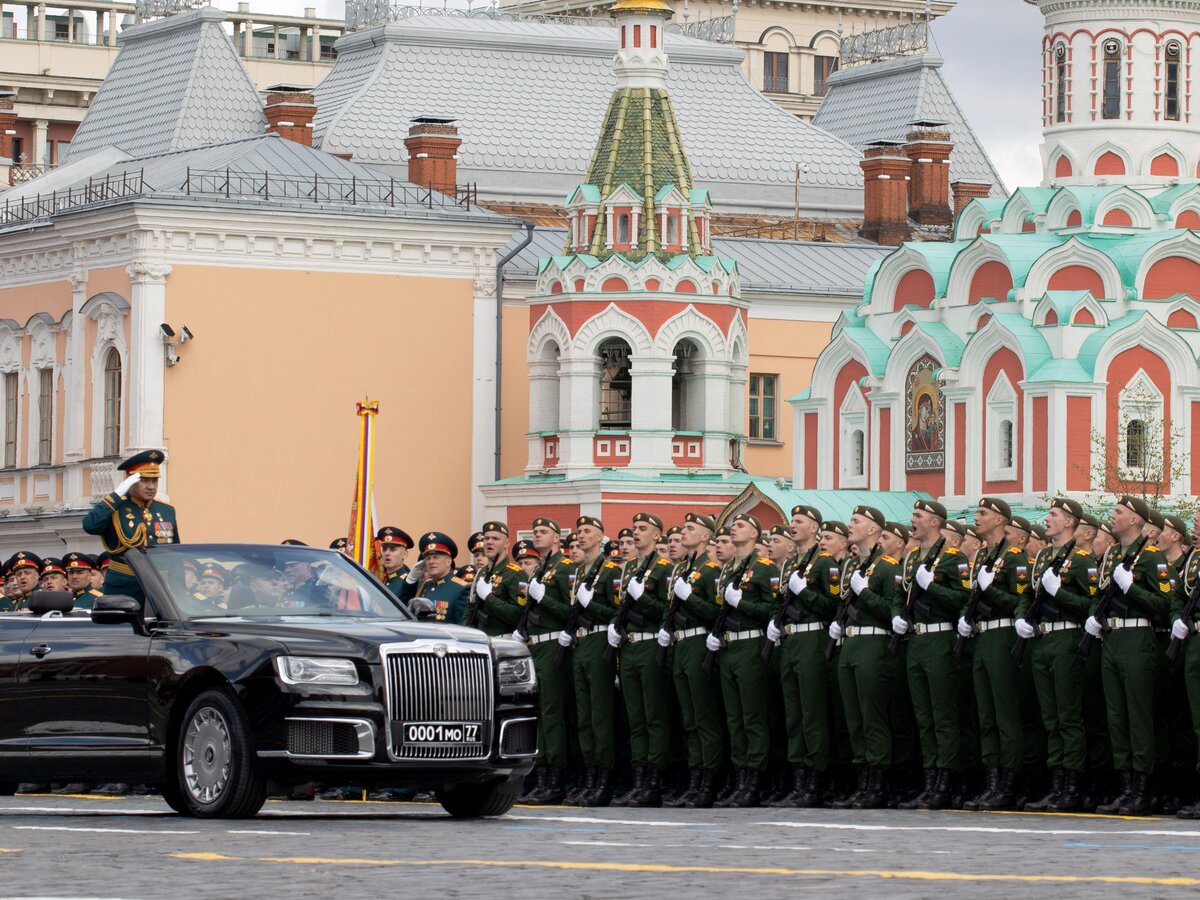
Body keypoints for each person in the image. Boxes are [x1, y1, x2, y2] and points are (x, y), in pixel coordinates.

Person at [1089, 495, 1172, 815]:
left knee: (1137, 715)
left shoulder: (1151, 558)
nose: (1113, 516)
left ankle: (1142, 789)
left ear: (1136, 519)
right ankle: (1125, 788)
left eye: (1119, 512)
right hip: (1111, 637)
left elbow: (1164, 605)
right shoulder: (1111, 555)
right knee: (1117, 716)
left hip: (1138, 638)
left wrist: (1132, 589)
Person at [1016, 497, 1096, 812]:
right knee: (1050, 717)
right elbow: (1027, 594)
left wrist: (1058, 592)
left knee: (1068, 715)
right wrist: (1022, 616)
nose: (1048, 519)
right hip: (1042, 640)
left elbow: (1089, 606)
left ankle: (1072, 786)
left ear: (1069, 522)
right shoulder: (1045, 557)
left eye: (1054, 514)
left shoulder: (1082, 560)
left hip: (1066, 638)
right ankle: (1057, 782)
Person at [894, 499, 968, 810]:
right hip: (916, 641)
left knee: (942, 715)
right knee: (923, 716)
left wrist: (933, 587)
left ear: (935, 522)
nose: (913, 520)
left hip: (939, 639)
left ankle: (946, 781)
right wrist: (897, 614)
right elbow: (899, 595)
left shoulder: (954, 558)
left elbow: (962, 598)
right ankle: (930, 780)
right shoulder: (911, 560)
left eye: (918, 516)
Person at [958, 497, 1028, 811]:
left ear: (1000, 520)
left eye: (983, 513)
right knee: (986, 714)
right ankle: (991, 780)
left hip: (1002, 634)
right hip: (982, 636)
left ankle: (1009, 783)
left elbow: (1021, 603)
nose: (976, 517)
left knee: (1004, 714)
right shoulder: (983, 555)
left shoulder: (1014, 557)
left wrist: (992, 590)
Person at [769, 505, 842, 808]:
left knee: (812, 712)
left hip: (813, 638)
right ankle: (799, 779)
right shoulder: (789, 566)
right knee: (794, 714)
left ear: (815, 528)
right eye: (792, 520)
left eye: (799, 521)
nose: (792, 525)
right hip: (790, 641)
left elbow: (832, 605)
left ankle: (814, 781)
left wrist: (805, 593)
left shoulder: (825, 563)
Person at [828, 506, 900, 809]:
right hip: (851, 644)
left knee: (873, 716)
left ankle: (879, 784)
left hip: (874, 643)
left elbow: (892, 611)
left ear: (873, 530)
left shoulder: (886, 566)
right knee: (854, 717)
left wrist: (865, 594)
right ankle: (863, 781)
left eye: (856, 521)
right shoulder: (854, 567)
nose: (850, 525)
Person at [709, 513, 778, 808]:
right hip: (728, 648)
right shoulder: (727, 571)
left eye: (739, 526)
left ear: (753, 534)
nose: (733, 529)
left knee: (752, 717)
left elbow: (773, 609)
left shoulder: (764, 569)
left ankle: (755, 780)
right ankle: (740, 778)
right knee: (735, 718)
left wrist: (743, 604)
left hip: (751, 645)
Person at [658, 513, 724, 809]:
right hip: (680, 644)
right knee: (689, 720)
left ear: (705, 536)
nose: (683, 533)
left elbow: (715, 613)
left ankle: (707, 782)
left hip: (698, 642)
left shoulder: (709, 571)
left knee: (703, 716)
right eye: (683, 527)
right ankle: (694, 780)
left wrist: (691, 599)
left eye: (690, 528)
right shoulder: (681, 570)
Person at [608, 513, 674, 806]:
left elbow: (665, 610)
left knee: (653, 717)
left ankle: (654, 782)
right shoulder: (630, 568)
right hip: (630, 647)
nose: (636, 533)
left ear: (657, 535)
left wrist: (643, 598)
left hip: (649, 646)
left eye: (643, 529)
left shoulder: (663, 569)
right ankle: (639, 781)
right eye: (634, 528)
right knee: (636, 719)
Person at [515, 517, 576, 805]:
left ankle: (554, 781)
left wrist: (545, 600)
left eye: (543, 532)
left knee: (551, 715)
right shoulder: (541, 568)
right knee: (538, 714)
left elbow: (571, 611)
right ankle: (540, 777)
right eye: (535, 531)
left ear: (557, 538)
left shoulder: (564, 568)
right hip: (533, 647)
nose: (537, 535)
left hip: (553, 645)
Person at [561, 515, 622, 806]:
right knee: (584, 716)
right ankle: (589, 777)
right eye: (579, 531)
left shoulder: (609, 571)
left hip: (599, 641)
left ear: (600, 537)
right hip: (580, 642)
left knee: (599, 714)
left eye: (587, 532)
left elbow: (616, 613)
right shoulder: (581, 571)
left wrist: (591, 605)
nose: (581, 536)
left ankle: (603, 779)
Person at [82, 450, 179, 601]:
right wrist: (116, 495)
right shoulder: (115, 508)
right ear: (130, 481)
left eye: (154, 481)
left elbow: (174, 553)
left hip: (159, 585)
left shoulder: (166, 510)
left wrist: (180, 588)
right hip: (123, 584)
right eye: (144, 480)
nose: (151, 486)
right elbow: (90, 525)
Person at [395, 532, 470, 624]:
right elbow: (402, 607)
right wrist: (411, 580)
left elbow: (464, 627)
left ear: (448, 562)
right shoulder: (426, 584)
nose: (431, 561)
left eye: (436, 557)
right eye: (428, 558)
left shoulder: (461, 589)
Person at [469, 521, 524, 635]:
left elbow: (517, 615)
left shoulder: (515, 573)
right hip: (480, 640)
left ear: (506, 543)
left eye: (495, 539)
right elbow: (469, 608)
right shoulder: (481, 572)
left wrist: (489, 597)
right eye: (486, 538)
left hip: (503, 641)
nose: (489, 542)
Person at [377, 526, 414, 596]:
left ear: (404, 554)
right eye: (384, 549)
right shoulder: (382, 580)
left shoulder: (408, 584)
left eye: (392, 549)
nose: (387, 553)